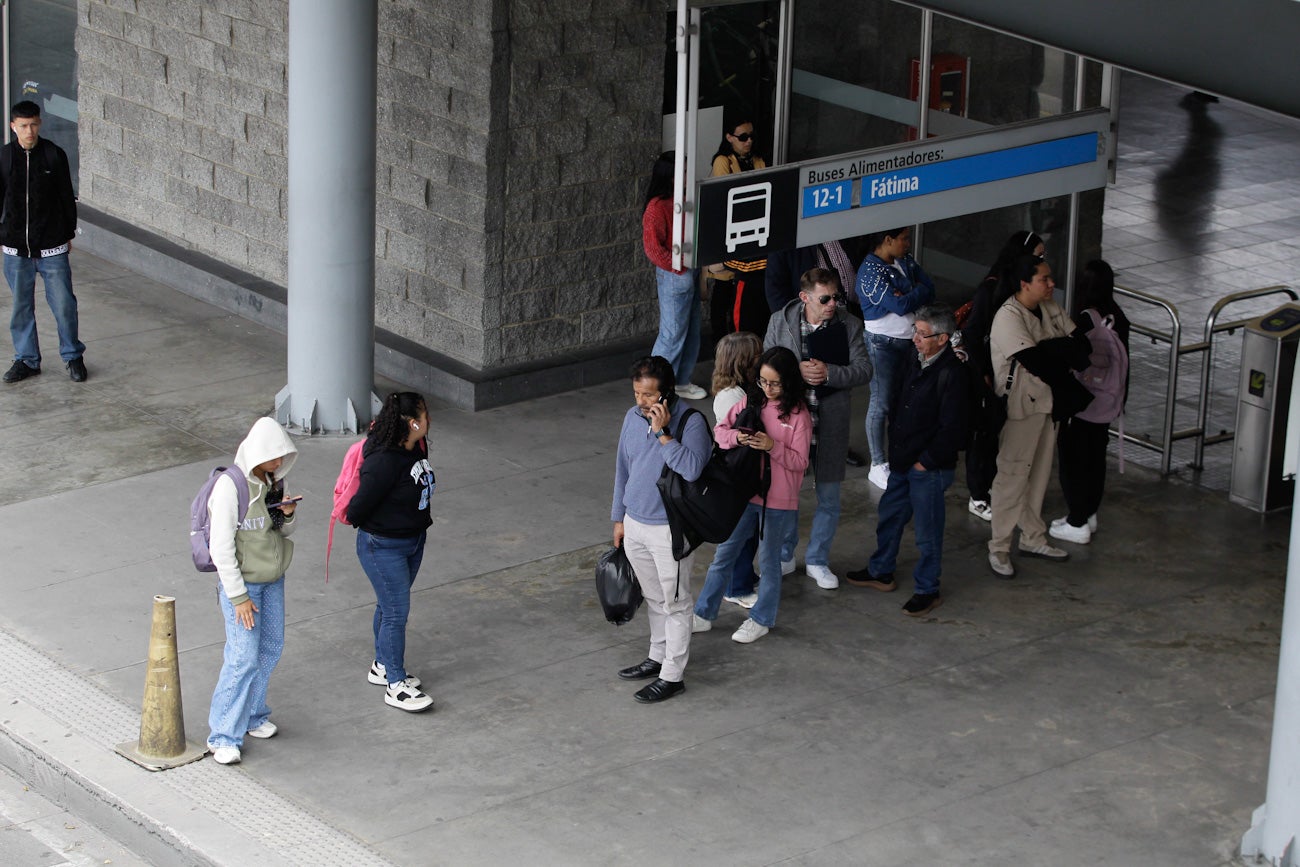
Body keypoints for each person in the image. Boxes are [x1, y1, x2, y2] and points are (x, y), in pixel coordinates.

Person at [846, 305, 968, 616]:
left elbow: (954, 429)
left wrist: (925, 462)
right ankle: (880, 571)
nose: (914, 338)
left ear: (942, 339)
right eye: (915, 331)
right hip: (903, 461)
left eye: (922, 334)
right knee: (890, 517)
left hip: (928, 467)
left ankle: (928, 589)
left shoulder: (954, 374)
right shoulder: (915, 360)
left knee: (928, 533)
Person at [693, 346, 811, 643]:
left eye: (774, 383)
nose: (767, 388)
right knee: (725, 553)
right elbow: (720, 432)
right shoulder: (752, 401)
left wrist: (773, 447)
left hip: (779, 500)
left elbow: (800, 463)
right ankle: (703, 613)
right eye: (762, 381)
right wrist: (737, 437)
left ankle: (762, 619)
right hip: (745, 493)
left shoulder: (799, 415)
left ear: (788, 382)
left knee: (769, 561)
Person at [611, 356, 712, 702]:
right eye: (637, 393)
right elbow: (623, 469)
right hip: (636, 524)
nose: (641, 402)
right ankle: (656, 656)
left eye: (649, 395)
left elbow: (693, 470)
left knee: (676, 602)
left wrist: (663, 434)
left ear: (667, 394)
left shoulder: (691, 422)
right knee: (654, 598)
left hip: (671, 529)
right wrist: (618, 517)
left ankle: (672, 674)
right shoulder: (630, 417)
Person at [764, 268, 872, 590]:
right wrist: (793, 371)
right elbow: (766, 362)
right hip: (790, 423)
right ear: (805, 298)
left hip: (830, 423)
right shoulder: (780, 321)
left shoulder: (849, 324)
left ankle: (817, 560)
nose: (832, 304)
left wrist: (830, 373)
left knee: (829, 496)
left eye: (836, 297)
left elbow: (864, 370)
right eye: (825, 299)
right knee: (787, 495)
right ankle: (785, 555)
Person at [987, 255, 1092, 578]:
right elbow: (1037, 361)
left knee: (1039, 474)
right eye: (1044, 279)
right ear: (1024, 284)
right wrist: (1058, 349)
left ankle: (1033, 537)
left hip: (1049, 405)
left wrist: (1053, 349)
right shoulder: (1008, 317)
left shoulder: (1049, 307)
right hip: (1022, 407)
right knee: (1012, 476)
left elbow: (1082, 348)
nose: (1051, 284)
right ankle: (1000, 547)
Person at [206, 417, 299, 766]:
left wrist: (287, 515)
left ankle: (252, 715)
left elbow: (281, 532)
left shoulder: (274, 480)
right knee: (243, 656)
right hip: (244, 587)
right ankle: (223, 735)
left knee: (270, 647)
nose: (278, 463)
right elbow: (221, 548)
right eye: (273, 457)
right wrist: (238, 597)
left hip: (273, 579)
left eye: (282, 456)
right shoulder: (231, 487)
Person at [347, 391, 437, 713]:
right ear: (413, 423)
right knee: (396, 611)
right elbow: (356, 510)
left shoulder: (415, 448)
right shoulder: (384, 460)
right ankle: (395, 685)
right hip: (383, 546)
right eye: (425, 415)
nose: (429, 420)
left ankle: (382, 665)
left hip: (411, 542)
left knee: (389, 607)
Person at [960, 230, 1045, 521]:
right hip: (990, 374)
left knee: (1003, 435)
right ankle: (978, 494)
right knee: (983, 435)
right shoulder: (992, 289)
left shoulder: (1020, 291)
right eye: (1038, 256)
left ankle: (996, 487)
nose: (1042, 263)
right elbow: (972, 334)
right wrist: (983, 372)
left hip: (1011, 376)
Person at [1, 100, 85, 384]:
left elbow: (66, 198)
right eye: (23, 126)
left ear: (40, 124)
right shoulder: (4, 158)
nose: (29, 130)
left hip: (52, 249)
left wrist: (67, 234)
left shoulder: (53, 155)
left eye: (34, 124)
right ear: (13, 127)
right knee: (21, 307)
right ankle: (27, 360)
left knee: (63, 304)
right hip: (15, 250)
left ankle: (73, 356)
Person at [1050, 259, 1131, 544]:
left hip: (1083, 402)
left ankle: (1077, 521)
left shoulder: (1085, 319)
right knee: (1095, 460)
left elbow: (1069, 358)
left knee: (1073, 461)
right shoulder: (1118, 316)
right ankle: (1087, 513)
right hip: (1108, 403)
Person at [855, 226, 935, 490]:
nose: (908, 244)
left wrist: (908, 292)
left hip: (911, 342)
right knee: (881, 404)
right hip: (882, 345)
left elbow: (930, 287)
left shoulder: (905, 260)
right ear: (887, 240)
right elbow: (899, 305)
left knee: (906, 401)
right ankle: (878, 464)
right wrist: (911, 293)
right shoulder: (869, 271)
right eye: (904, 239)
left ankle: (902, 455)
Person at [642, 151, 705, 400]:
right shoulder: (658, 206)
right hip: (674, 274)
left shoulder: (684, 199)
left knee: (690, 331)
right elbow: (653, 249)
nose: (690, 175)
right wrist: (678, 267)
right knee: (672, 334)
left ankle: (679, 381)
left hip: (687, 269)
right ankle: (654, 386)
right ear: (671, 176)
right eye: (685, 172)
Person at [710, 331, 765, 608]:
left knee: (750, 530)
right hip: (737, 474)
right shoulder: (732, 397)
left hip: (743, 471)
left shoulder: (741, 390)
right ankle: (737, 587)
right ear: (743, 363)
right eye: (756, 356)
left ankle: (743, 577)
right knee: (741, 534)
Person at [706, 116, 769, 338]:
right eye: (743, 137)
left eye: (751, 136)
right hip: (729, 233)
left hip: (751, 232)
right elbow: (725, 194)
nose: (748, 141)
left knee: (739, 291)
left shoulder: (758, 158)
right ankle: (719, 340)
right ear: (729, 137)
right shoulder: (723, 161)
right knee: (723, 289)